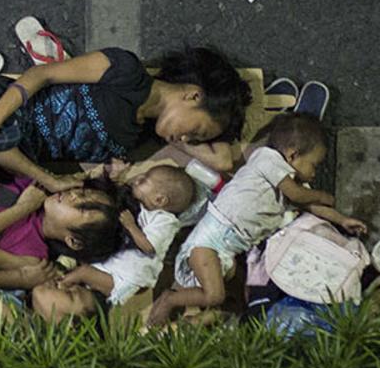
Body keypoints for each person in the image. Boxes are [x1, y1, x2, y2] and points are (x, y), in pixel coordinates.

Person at [0, 44, 251, 252]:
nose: (186, 141)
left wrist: (204, 129)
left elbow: (222, 159)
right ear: (193, 95)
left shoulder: (136, 138)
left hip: (0, 147)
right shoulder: (126, 71)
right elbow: (41, 75)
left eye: (193, 141)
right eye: (195, 130)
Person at [145, 114, 367, 329]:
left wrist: (342, 219)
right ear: (292, 155)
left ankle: (209, 317)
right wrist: (322, 195)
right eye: (314, 165)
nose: (314, 173)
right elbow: (302, 197)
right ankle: (169, 300)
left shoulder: (288, 187)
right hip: (209, 243)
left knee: (233, 295)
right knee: (214, 294)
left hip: (228, 251)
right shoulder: (267, 159)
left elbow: (310, 206)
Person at [56, 162, 204, 308]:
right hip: (120, 269)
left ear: (159, 200)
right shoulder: (143, 208)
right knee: (86, 272)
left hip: (127, 276)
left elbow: (149, 247)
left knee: (84, 272)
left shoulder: (165, 221)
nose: (138, 178)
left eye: (144, 180)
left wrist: (131, 226)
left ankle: (59, 283)